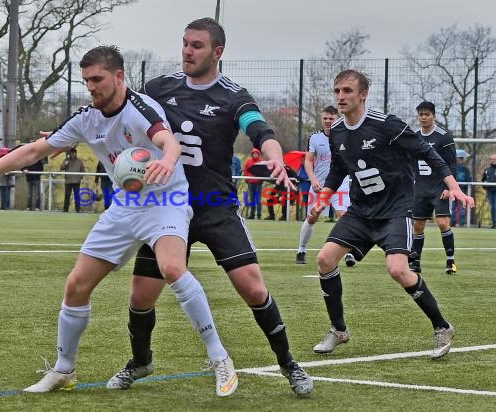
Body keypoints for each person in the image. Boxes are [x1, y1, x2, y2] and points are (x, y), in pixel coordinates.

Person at [0, 45, 237, 397]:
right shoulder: (85, 118)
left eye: (97, 79)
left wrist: (168, 159)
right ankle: (64, 370)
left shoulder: (141, 109)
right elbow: (34, 151)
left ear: (119, 76)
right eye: (86, 80)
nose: (91, 87)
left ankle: (219, 357)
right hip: (124, 207)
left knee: (173, 269)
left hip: (167, 202)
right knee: (76, 285)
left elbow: (168, 140)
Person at [109, 18, 313, 397]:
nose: (187, 51)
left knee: (253, 288)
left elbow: (261, 130)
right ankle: (140, 361)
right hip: (167, 206)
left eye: (197, 46)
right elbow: (120, 111)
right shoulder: (159, 88)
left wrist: (276, 159)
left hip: (216, 206)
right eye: (185, 44)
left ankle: (289, 365)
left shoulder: (234, 96)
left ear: (218, 52)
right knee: (141, 295)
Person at [309, 69, 474, 359]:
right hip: (361, 211)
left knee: (398, 270)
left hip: (396, 210)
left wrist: (454, 186)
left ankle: (442, 326)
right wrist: (323, 198)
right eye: (337, 91)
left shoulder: (387, 125)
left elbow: (428, 153)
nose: (340, 97)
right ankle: (339, 330)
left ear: (363, 95)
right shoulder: (336, 131)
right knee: (324, 259)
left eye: (347, 91)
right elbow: (338, 170)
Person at [295, 106, 355, 266]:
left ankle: (348, 253)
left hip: (341, 184)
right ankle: (301, 249)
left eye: (331, 118)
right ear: (322, 119)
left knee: (344, 216)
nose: (328, 121)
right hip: (320, 186)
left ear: (337, 119)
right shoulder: (314, 137)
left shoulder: (346, 136)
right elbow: (308, 160)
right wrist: (313, 179)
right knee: (312, 216)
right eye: (325, 118)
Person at [408, 101, 458, 275]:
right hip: (420, 188)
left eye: (427, 114)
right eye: (421, 114)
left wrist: (449, 187)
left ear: (434, 116)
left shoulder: (444, 136)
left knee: (443, 223)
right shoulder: (413, 136)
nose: (423, 117)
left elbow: (452, 163)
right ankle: (416, 262)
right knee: (418, 225)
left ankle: (450, 261)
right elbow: (410, 162)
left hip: (439, 188)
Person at [60, 147, 85, 212]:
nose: (73, 154)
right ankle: (65, 209)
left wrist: (80, 177)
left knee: (77, 195)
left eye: (74, 153)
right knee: (67, 195)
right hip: (68, 181)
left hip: (76, 181)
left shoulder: (79, 161)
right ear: (70, 153)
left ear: (76, 153)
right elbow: (61, 168)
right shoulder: (66, 160)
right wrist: (65, 164)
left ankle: (78, 209)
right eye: (72, 153)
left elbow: (83, 170)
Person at [451, 150, 471, 226]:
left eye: (461, 158)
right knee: (453, 207)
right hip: (453, 190)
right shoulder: (453, 168)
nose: (459, 160)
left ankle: (461, 222)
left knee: (463, 206)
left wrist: (465, 187)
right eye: (458, 158)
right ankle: (453, 222)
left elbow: (468, 179)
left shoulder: (465, 169)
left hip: (462, 190)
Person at [243, 148, 264, 219]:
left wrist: (261, 180)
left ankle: (259, 215)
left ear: (258, 154)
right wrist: (246, 179)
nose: (255, 155)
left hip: (258, 183)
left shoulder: (261, 162)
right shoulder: (248, 162)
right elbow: (245, 171)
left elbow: (264, 172)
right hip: (251, 183)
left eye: (256, 153)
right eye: (253, 153)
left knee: (258, 199)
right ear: (252, 154)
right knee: (252, 199)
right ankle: (252, 215)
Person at [481, 153, 496, 228]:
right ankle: (494, 223)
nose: (494, 161)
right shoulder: (487, 170)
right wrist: (485, 186)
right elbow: (483, 180)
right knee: (493, 207)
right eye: (492, 159)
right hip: (490, 191)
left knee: (495, 206)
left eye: (495, 159)